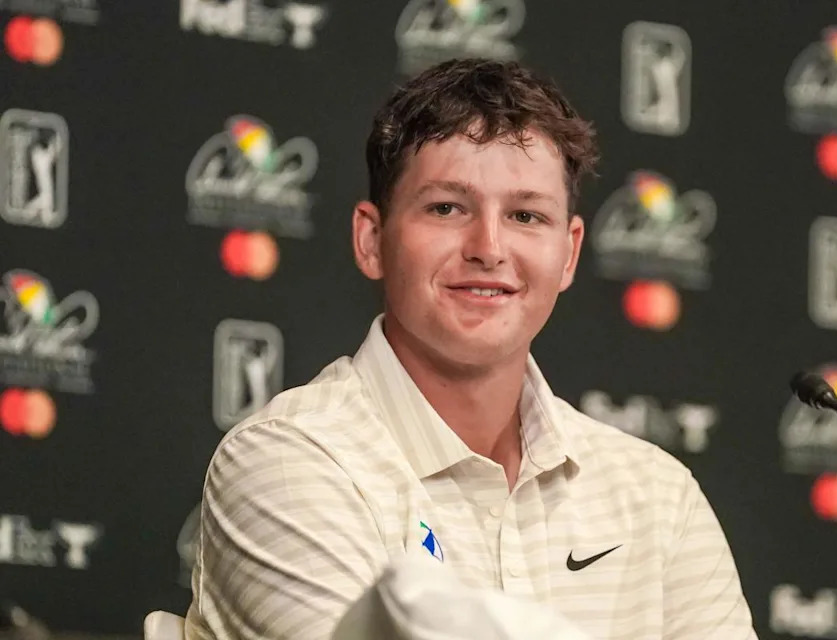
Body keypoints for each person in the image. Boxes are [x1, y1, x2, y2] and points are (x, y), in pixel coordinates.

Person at [184, 58, 757, 640]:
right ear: (372, 240)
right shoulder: (287, 463)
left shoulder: (658, 496)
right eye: (446, 208)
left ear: (569, 254)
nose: (488, 247)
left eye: (526, 215)